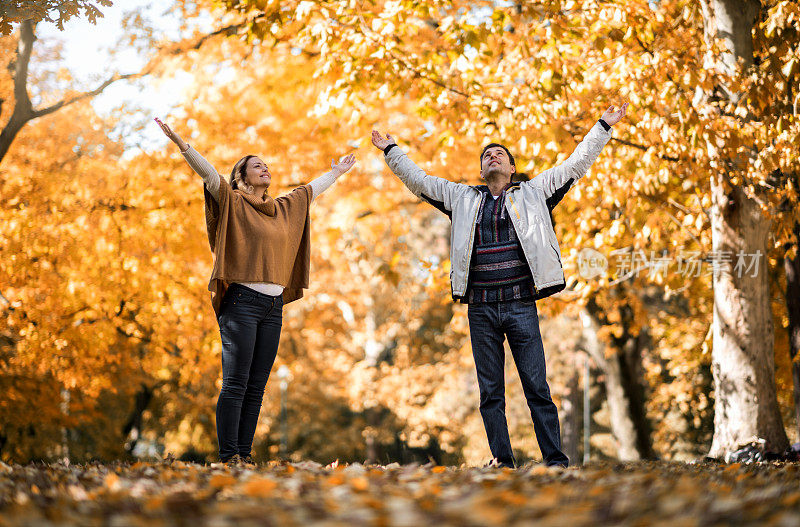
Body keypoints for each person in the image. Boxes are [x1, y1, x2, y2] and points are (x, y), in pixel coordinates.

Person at [371, 103, 628, 468]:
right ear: (482, 169)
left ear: (510, 168)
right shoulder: (461, 199)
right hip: (481, 309)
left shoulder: (534, 193)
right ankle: (502, 462)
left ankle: (555, 460)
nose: (493, 156)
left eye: (500, 154)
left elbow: (575, 164)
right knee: (491, 392)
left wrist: (603, 124)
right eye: (487, 155)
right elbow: (420, 181)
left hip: (521, 304)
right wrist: (392, 151)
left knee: (537, 388)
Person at [155, 117, 356, 464]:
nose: (264, 168)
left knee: (257, 388)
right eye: (256, 166)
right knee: (235, 383)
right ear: (241, 177)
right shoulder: (232, 200)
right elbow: (208, 174)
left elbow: (310, 190)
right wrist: (180, 143)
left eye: (265, 165)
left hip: (272, 307)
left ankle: (243, 457)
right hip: (242, 304)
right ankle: (228, 455)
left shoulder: (282, 208)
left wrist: (336, 173)